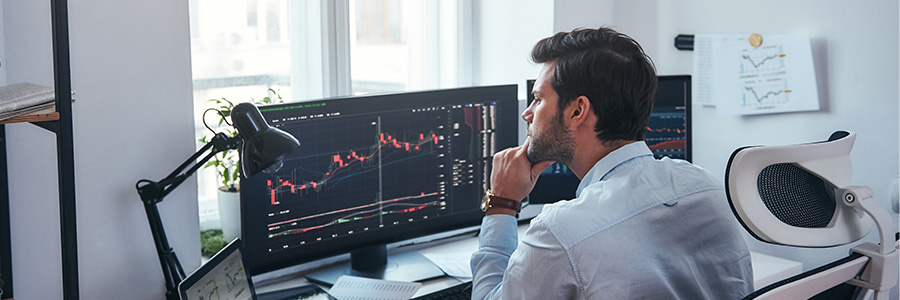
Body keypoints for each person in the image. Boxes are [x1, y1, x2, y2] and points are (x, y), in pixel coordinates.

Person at [471, 27, 754, 299]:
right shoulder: (707, 187)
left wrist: (503, 204)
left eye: (537, 99)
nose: (527, 114)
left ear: (577, 111)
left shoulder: (561, 233)